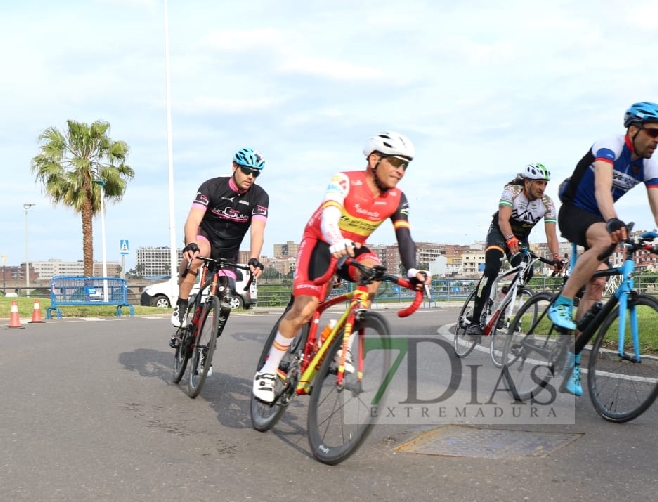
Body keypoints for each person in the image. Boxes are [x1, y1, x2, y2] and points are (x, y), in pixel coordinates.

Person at [253, 132, 429, 403]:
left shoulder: (397, 197)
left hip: (353, 248)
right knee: (305, 308)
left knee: (375, 273)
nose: (400, 170)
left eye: (406, 165)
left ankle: (342, 333)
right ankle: (268, 370)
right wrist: (335, 240)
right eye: (395, 161)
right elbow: (329, 216)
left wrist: (413, 271)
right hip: (321, 242)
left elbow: (404, 236)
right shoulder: (345, 180)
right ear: (374, 159)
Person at [549, 102, 658, 395]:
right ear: (633, 129)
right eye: (653, 133)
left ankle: (572, 360)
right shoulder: (610, 145)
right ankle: (562, 303)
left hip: (601, 219)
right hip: (575, 211)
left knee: (597, 285)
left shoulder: (649, 167)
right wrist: (612, 219)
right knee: (606, 238)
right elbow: (603, 188)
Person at [171, 148, 268, 344]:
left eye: (255, 173)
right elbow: (193, 219)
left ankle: (209, 345)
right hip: (204, 237)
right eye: (246, 170)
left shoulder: (259, 196)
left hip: (229, 250)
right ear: (234, 167)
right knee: (198, 255)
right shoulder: (212, 186)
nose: (251, 176)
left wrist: (255, 258)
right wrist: (191, 243)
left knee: (227, 295)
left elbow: (258, 230)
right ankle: (181, 303)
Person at [466, 163, 564, 334]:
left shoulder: (547, 203)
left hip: (520, 239)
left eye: (545, 183)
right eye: (539, 183)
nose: (543, 187)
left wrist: (556, 256)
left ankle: (502, 300)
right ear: (527, 182)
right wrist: (510, 239)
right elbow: (503, 220)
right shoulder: (512, 192)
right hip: (500, 233)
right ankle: (474, 320)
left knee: (527, 271)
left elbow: (551, 235)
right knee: (491, 270)